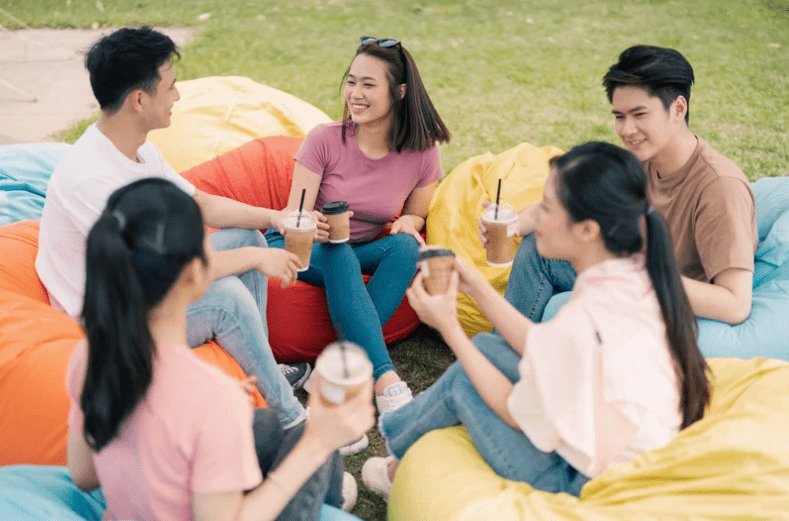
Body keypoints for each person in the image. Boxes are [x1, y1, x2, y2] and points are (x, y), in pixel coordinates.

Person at [361, 142, 711, 499]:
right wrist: (479, 287)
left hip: (584, 478)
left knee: (464, 383)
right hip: (627, 439)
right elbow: (545, 347)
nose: (534, 217)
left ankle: (395, 463)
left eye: (546, 207)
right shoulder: (630, 274)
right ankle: (398, 443)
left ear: (588, 229)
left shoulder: (584, 319)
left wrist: (449, 327)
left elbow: (515, 412)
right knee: (486, 346)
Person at [35, 26, 308, 428]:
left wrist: (272, 218)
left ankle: (259, 362)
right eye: (171, 87)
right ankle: (292, 419)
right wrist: (255, 256)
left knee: (248, 236)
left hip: (144, 282)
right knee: (229, 296)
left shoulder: (137, 148)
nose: (178, 96)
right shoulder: (91, 179)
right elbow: (162, 274)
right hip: (111, 318)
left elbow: (199, 203)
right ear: (139, 100)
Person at [66, 178, 375, 520]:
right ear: (197, 272)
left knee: (276, 426)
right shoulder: (212, 399)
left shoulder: (89, 355)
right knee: (308, 438)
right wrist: (318, 443)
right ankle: (326, 506)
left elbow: (83, 475)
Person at [489, 45, 757, 327]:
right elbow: (567, 207)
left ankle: (504, 356)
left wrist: (635, 276)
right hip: (627, 273)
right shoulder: (639, 161)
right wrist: (512, 225)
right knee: (536, 249)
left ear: (678, 108)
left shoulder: (720, 188)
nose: (627, 130)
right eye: (619, 116)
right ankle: (504, 350)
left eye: (639, 115)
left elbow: (735, 304)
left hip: (662, 294)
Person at [266, 36, 451, 417]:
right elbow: (292, 215)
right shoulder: (325, 140)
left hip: (352, 252)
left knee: (405, 247)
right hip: (300, 248)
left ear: (399, 92)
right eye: (352, 81)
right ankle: (384, 379)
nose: (355, 93)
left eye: (368, 84)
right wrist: (309, 222)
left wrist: (407, 221)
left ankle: (332, 367)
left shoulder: (422, 152)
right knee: (338, 253)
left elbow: (417, 216)